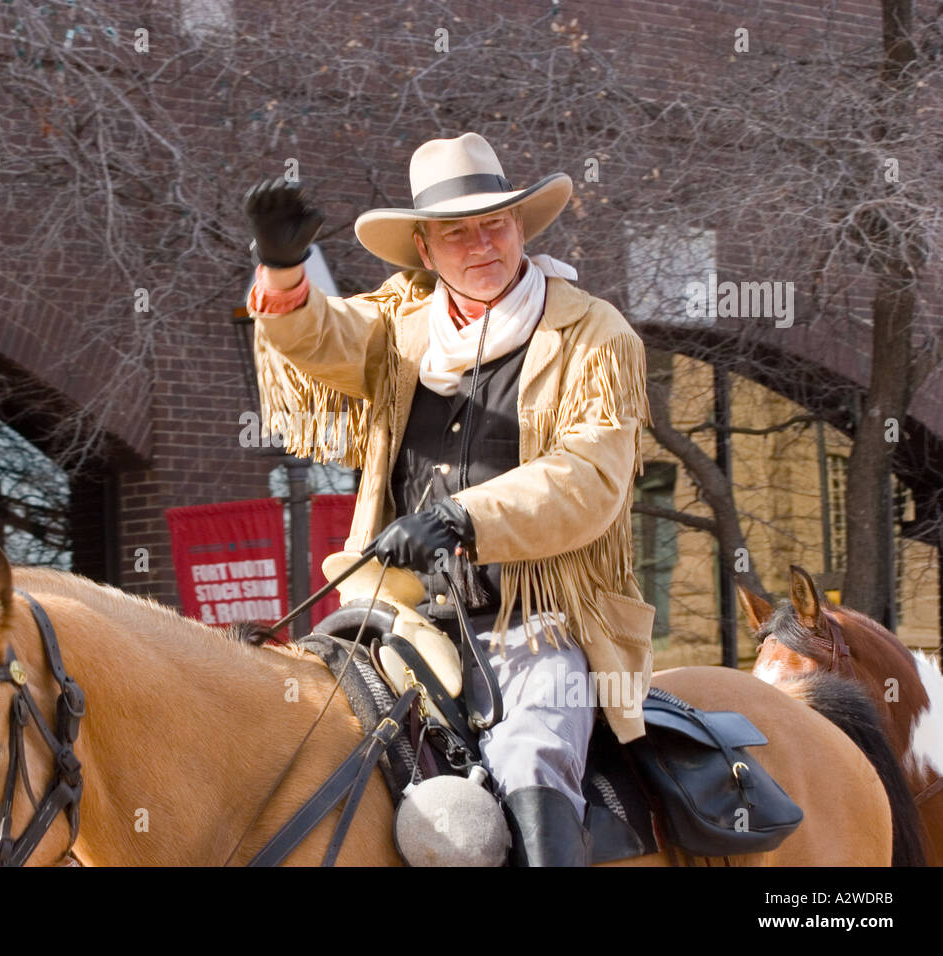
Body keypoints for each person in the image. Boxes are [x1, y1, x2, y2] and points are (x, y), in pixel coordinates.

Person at [243, 132, 655, 865]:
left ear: (521, 226)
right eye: (456, 232)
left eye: (493, 223)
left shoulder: (593, 334)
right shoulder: (401, 331)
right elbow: (319, 337)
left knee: (530, 755)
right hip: (397, 613)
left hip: (536, 621)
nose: (481, 244)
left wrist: (458, 517)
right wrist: (283, 272)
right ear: (425, 253)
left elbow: (590, 477)